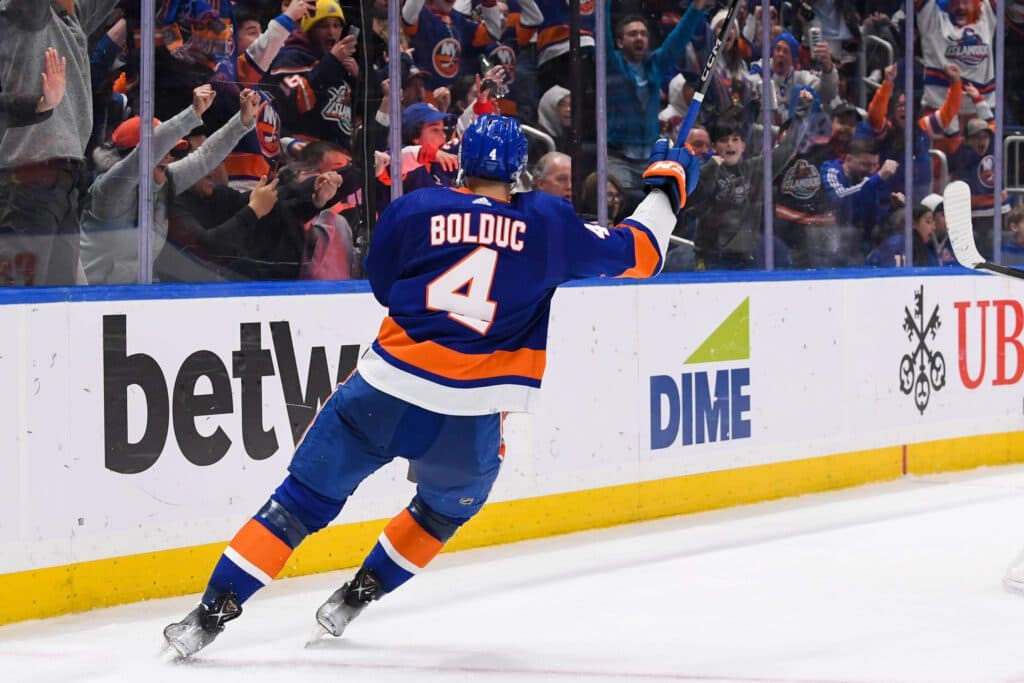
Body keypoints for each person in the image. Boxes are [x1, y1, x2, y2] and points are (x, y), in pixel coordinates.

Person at [162, 114, 699, 658]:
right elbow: (642, 254)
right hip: (470, 417)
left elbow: (383, 285)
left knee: (296, 505)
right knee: (442, 512)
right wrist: (666, 189)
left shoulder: (416, 207)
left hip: (383, 393)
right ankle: (357, 596)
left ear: (462, 163)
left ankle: (207, 617)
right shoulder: (547, 221)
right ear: (520, 170)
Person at [0, 0, 121, 286]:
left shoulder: (71, 17)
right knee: (19, 293)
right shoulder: (24, 12)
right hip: (27, 175)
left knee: (60, 298)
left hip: (66, 180)